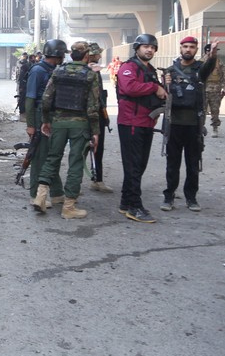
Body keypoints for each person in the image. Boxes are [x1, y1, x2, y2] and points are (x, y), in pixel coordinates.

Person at [34, 41, 100, 219]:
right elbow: (93, 107)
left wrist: (46, 121)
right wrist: (95, 131)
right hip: (80, 125)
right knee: (76, 163)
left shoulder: (58, 71)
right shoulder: (90, 75)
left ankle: (40, 196)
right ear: (86, 55)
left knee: (52, 158)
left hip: (58, 123)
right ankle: (69, 207)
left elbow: (47, 99)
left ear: (71, 55)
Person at [160, 37, 219, 212]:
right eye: (185, 46)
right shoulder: (170, 70)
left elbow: (208, 67)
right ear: (180, 48)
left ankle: (191, 197)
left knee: (193, 163)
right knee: (173, 164)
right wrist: (165, 84)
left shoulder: (200, 69)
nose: (188, 50)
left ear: (196, 49)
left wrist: (213, 53)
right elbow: (162, 94)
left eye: (192, 47)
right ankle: (169, 196)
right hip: (174, 123)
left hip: (194, 124)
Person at [116, 34, 167, 223]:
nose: (149, 50)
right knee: (134, 166)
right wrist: (154, 87)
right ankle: (135, 206)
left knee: (139, 165)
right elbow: (130, 88)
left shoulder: (150, 70)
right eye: (145, 47)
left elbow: (161, 91)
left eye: (153, 47)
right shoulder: (128, 68)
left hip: (146, 122)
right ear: (137, 48)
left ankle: (125, 201)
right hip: (131, 123)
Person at [25, 40, 68, 210]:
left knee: (52, 154)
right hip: (38, 116)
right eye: (63, 53)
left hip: (51, 116)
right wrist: (30, 124)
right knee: (40, 156)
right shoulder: (38, 71)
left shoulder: (53, 70)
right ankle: (35, 194)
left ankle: (57, 193)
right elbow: (30, 99)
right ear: (57, 54)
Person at [87, 43, 113, 193]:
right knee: (96, 147)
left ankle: (96, 179)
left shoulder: (84, 69)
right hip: (94, 115)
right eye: (98, 54)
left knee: (85, 149)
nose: (100, 56)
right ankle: (97, 180)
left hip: (93, 113)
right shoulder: (93, 70)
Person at [200, 43, 225, 138]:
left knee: (215, 110)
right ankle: (200, 127)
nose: (215, 52)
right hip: (203, 90)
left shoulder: (219, 62)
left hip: (215, 90)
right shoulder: (200, 62)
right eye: (214, 50)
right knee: (201, 110)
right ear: (207, 51)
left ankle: (215, 127)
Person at [15, 51, 32, 118]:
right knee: (20, 98)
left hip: (24, 83)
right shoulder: (19, 63)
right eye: (23, 56)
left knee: (23, 98)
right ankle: (21, 113)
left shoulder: (27, 64)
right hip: (20, 83)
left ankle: (23, 112)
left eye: (25, 56)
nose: (24, 57)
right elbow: (18, 74)